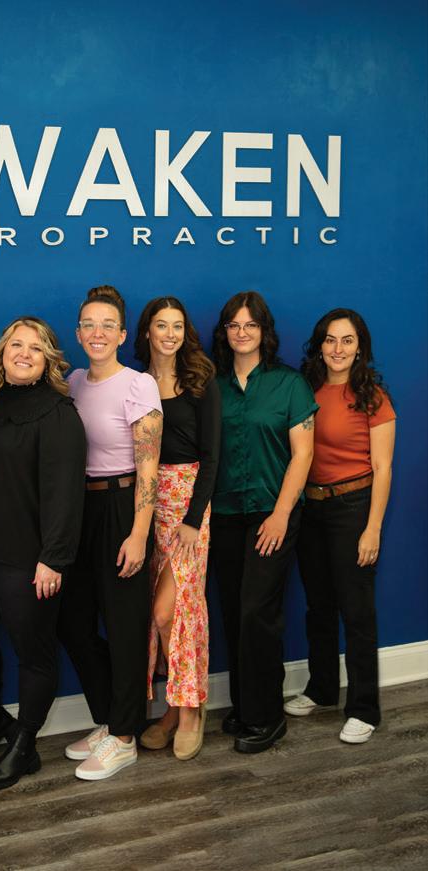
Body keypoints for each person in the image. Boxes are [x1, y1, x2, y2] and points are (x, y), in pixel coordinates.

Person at [0, 316, 86, 790]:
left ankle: (24, 745)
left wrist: (55, 558)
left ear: (48, 359)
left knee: (33, 650)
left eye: (35, 347)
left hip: (28, 554)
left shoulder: (59, 413)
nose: (24, 353)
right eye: (16, 345)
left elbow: (66, 492)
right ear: (2, 352)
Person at [57, 285, 163, 781]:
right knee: (74, 622)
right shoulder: (73, 382)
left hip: (124, 506)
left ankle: (124, 738)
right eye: (88, 325)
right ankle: (111, 718)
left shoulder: (138, 385)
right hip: (81, 509)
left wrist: (139, 533)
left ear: (121, 335)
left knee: (124, 627)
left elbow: (149, 469)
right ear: (78, 333)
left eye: (107, 325)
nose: (97, 333)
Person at [210, 291, 317, 753]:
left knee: (258, 614)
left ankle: (267, 717)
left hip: (273, 513)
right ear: (225, 332)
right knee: (235, 613)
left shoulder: (289, 384)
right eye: (234, 325)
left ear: (264, 331)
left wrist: (280, 515)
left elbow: (303, 454)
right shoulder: (212, 386)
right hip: (225, 515)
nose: (242, 333)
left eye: (250, 325)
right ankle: (244, 706)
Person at [284, 309, 396, 744]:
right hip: (310, 508)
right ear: (320, 345)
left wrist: (373, 529)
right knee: (319, 606)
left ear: (359, 347)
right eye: (330, 340)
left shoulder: (372, 396)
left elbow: (383, 468)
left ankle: (364, 709)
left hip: (353, 507)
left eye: (347, 340)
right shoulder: (305, 389)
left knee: (357, 611)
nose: (338, 349)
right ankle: (322, 688)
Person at [133, 297, 221, 761]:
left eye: (178, 326)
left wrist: (192, 519)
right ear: (146, 331)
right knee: (158, 614)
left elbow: (212, 456)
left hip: (189, 505)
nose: (169, 334)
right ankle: (173, 707)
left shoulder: (201, 381)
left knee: (173, 610)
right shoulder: (137, 383)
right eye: (161, 325)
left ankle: (190, 711)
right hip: (148, 505)